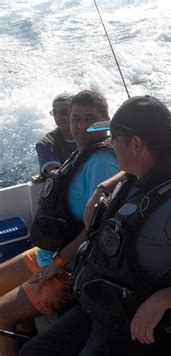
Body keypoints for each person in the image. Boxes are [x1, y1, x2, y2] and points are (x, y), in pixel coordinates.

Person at [20, 95, 171, 355]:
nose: (110, 145)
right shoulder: (139, 172)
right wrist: (104, 187)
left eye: (114, 139)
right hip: (102, 304)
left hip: (133, 319)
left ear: (136, 144)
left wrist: (161, 300)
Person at [0, 90, 119, 356]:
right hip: (50, 253)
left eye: (90, 118)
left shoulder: (102, 163)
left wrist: (59, 263)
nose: (80, 125)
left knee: (1, 316)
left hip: (70, 268)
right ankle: (23, 333)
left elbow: (96, 230)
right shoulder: (82, 152)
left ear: (107, 121)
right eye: (75, 118)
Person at [35, 92, 77, 175]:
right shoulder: (46, 144)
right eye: (55, 112)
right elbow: (56, 176)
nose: (58, 117)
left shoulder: (89, 135)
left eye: (63, 112)